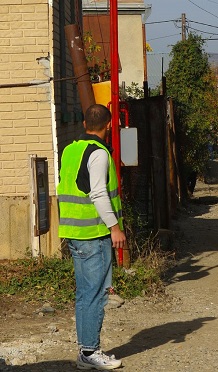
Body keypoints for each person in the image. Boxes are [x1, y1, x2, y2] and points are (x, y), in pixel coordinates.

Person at [57, 104, 125, 370]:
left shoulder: (70, 150)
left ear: (85, 124)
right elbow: (97, 193)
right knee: (95, 294)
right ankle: (89, 352)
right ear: (108, 126)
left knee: (86, 293)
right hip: (92, 234)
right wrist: (115, 227)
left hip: (74, 232)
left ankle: (86, 351)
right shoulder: (98, 154)